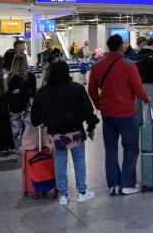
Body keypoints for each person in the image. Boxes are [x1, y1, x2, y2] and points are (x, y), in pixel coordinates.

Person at [88, 34, 150, 196]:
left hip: (108, 114)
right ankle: (128, 183)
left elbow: (92, 90)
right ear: (121, 46)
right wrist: (146, 99)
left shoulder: (97, 66)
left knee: (110, 149)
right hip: (126, 114)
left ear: (109, 47)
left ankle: (114, 185)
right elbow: (137, 88)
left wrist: (99, 106)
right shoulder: (129, 65)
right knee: (130, 147)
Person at [31, 60, 99, 205]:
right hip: (75, 132)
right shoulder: (77, 88)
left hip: (55, 134)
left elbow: (35, 119)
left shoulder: (43, 92)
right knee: (79, 160)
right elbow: (88, 111)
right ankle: (82, 192)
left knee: (60, 163)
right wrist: (91, 125)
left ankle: (63, 195)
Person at [6, 54, 37, 159]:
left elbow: (6, 93)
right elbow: (34, 92)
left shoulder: (8, 76)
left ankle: (18, 151)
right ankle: (29, 149)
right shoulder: (30, 76)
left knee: (16, 129)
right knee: (29, 127)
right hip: (28, 106)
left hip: (13, 107)